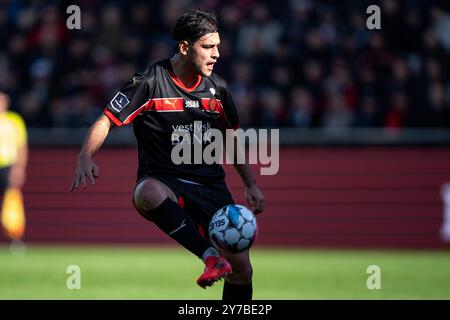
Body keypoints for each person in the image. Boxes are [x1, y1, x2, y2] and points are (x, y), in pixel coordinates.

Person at [70, 10, 265, 300]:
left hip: (211, 186)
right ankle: (209, 256)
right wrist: (85, 155)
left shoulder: (219, 90)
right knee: (146, 192)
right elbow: (107, 119)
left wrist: (250, 183)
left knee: (242, 271)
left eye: (218, 46)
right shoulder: (149, 82)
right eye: (208, 47)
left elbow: (231, 138)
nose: (217, 54)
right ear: (185, 47)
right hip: (165, 180)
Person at [0, 91, 28, 241]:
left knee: (12, 203)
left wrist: (19, 168)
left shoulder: (14, 120)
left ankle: (14, 238)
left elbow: (21, 146)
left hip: (8, 166)